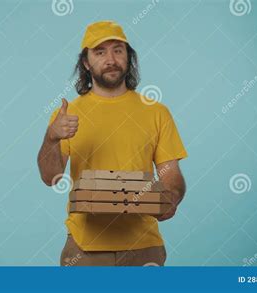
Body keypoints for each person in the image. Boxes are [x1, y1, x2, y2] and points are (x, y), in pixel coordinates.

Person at [37, 20, 188, 266]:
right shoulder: (67, 115)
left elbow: (170, 171)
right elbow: (49, 176)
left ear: (128, 57)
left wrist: (172, 196)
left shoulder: (156, 112)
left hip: (144, 247)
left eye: (118, 50)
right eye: (100, 52)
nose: (111, 59)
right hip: (84, 249)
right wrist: (51, 137)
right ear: (86, 62)